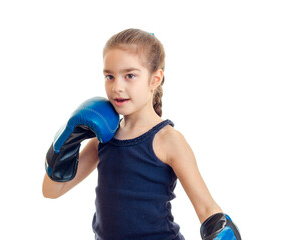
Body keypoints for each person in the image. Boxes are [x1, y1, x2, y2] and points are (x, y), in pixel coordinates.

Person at [42, 28, 241, 240]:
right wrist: (67, 141)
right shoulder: (103, 138)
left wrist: (221, 233)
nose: (117, 86)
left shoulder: (168, 140)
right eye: (109, 76)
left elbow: (206, 208)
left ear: (155, 79)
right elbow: (52, 191)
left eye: (130, 75)